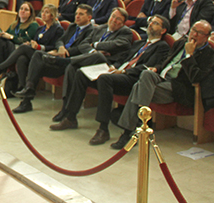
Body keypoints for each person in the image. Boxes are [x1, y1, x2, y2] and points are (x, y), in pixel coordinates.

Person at [50, 16, 171, 144]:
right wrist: (114, 67)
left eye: (156, 23)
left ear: (163, 30)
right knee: (81, 73)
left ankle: (103, 129)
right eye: (150, 22)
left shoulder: (162, 46)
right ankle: (71, 117)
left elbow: (147, 67)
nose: (151, 24)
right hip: (118, 73)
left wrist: (124, 71)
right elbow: (124, 58)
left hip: (132, 79)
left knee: (104, 79)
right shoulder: (139, 43)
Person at [110, 20, 214, 149]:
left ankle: (130, 131)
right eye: (193, 30)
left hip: (176, 87)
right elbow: (166, 62)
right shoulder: (181, 43)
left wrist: (189, 55)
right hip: (160, 79)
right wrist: (156, 68)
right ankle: (140, 123)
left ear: (206, 37)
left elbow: (196, 78)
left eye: (199, 33)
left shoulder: (209, 54)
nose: (194, 34)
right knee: (146, 74)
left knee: (138, 87)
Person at [49, 8, 135, 128]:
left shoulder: (126, 32)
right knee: (73, 69)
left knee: (96, 56)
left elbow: (118, 44)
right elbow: (83, 44)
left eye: (118, 19)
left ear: (123, 23)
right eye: (113, 16)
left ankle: (65, 60)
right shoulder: (100, 28)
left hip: (108, 66)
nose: (114, 20)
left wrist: (95, 45)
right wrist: (93, 51)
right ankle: (69, 115)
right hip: (91, 62)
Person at [12, 5, 95, 108]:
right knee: (23, 59)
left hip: (69, 61)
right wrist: (60, 47)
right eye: (76, 13)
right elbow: (60, 40)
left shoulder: (92, 30)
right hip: (58, 57)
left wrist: (64, 51)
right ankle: (26, 99)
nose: (77, 16)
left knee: (37, 55)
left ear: (89, 17)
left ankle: (26, 91)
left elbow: (81, 48)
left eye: (81, 14)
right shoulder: (73, 27)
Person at [0, 4, 65, 112]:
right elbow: (35, 43)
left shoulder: (57, 29)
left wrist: (39, 47)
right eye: (42, 12)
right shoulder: (40, 29)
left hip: (48, 57)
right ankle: (26, 100)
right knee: (21, 59)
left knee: (23, 49)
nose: (43, 14)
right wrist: (31, 44)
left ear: (52, 15)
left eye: (47, 12)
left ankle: (1, 67)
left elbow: (56, 46)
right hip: (36, 56)